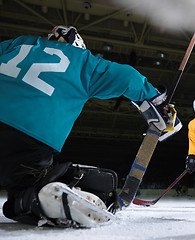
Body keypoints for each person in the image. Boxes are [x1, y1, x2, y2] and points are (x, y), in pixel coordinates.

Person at [0, 25, 180, 228]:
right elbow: (126, 77)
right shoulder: (82, 60)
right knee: (26, 189)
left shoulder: (20, 43)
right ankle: (37, 198)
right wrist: (155, 99)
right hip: (29, 140)